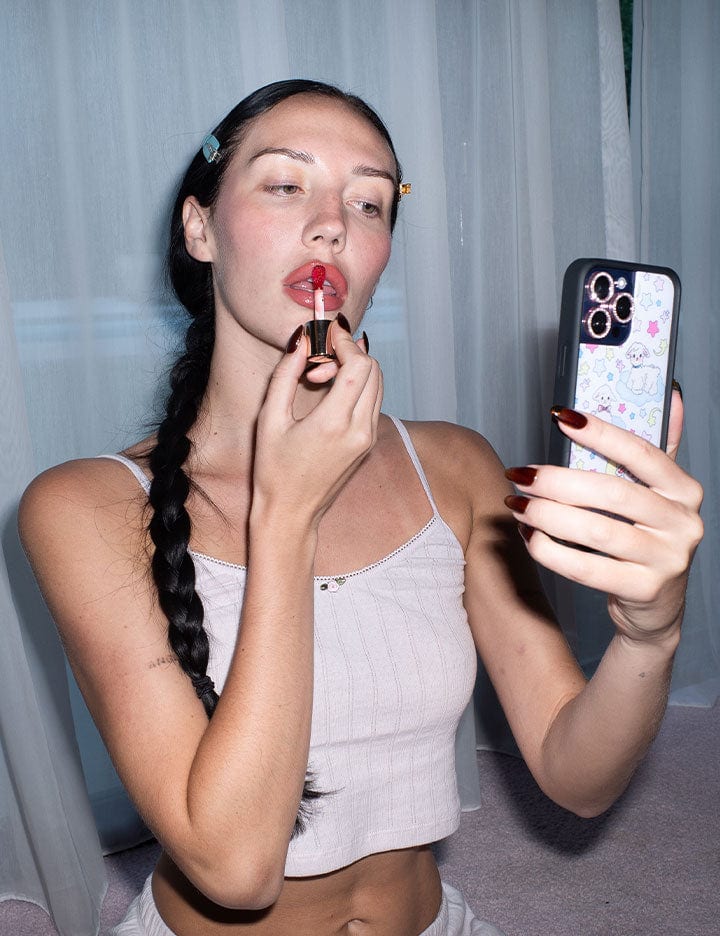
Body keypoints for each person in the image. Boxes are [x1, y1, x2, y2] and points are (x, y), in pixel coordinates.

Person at [18, 79, 703, 936]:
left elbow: (579, 777)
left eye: (369, 202)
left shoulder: (453, 466)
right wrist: (286, 517)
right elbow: (237, 870)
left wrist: (650, 636)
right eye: (285, 184)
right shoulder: (84, 506)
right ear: (200, 228)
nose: (332, 224)